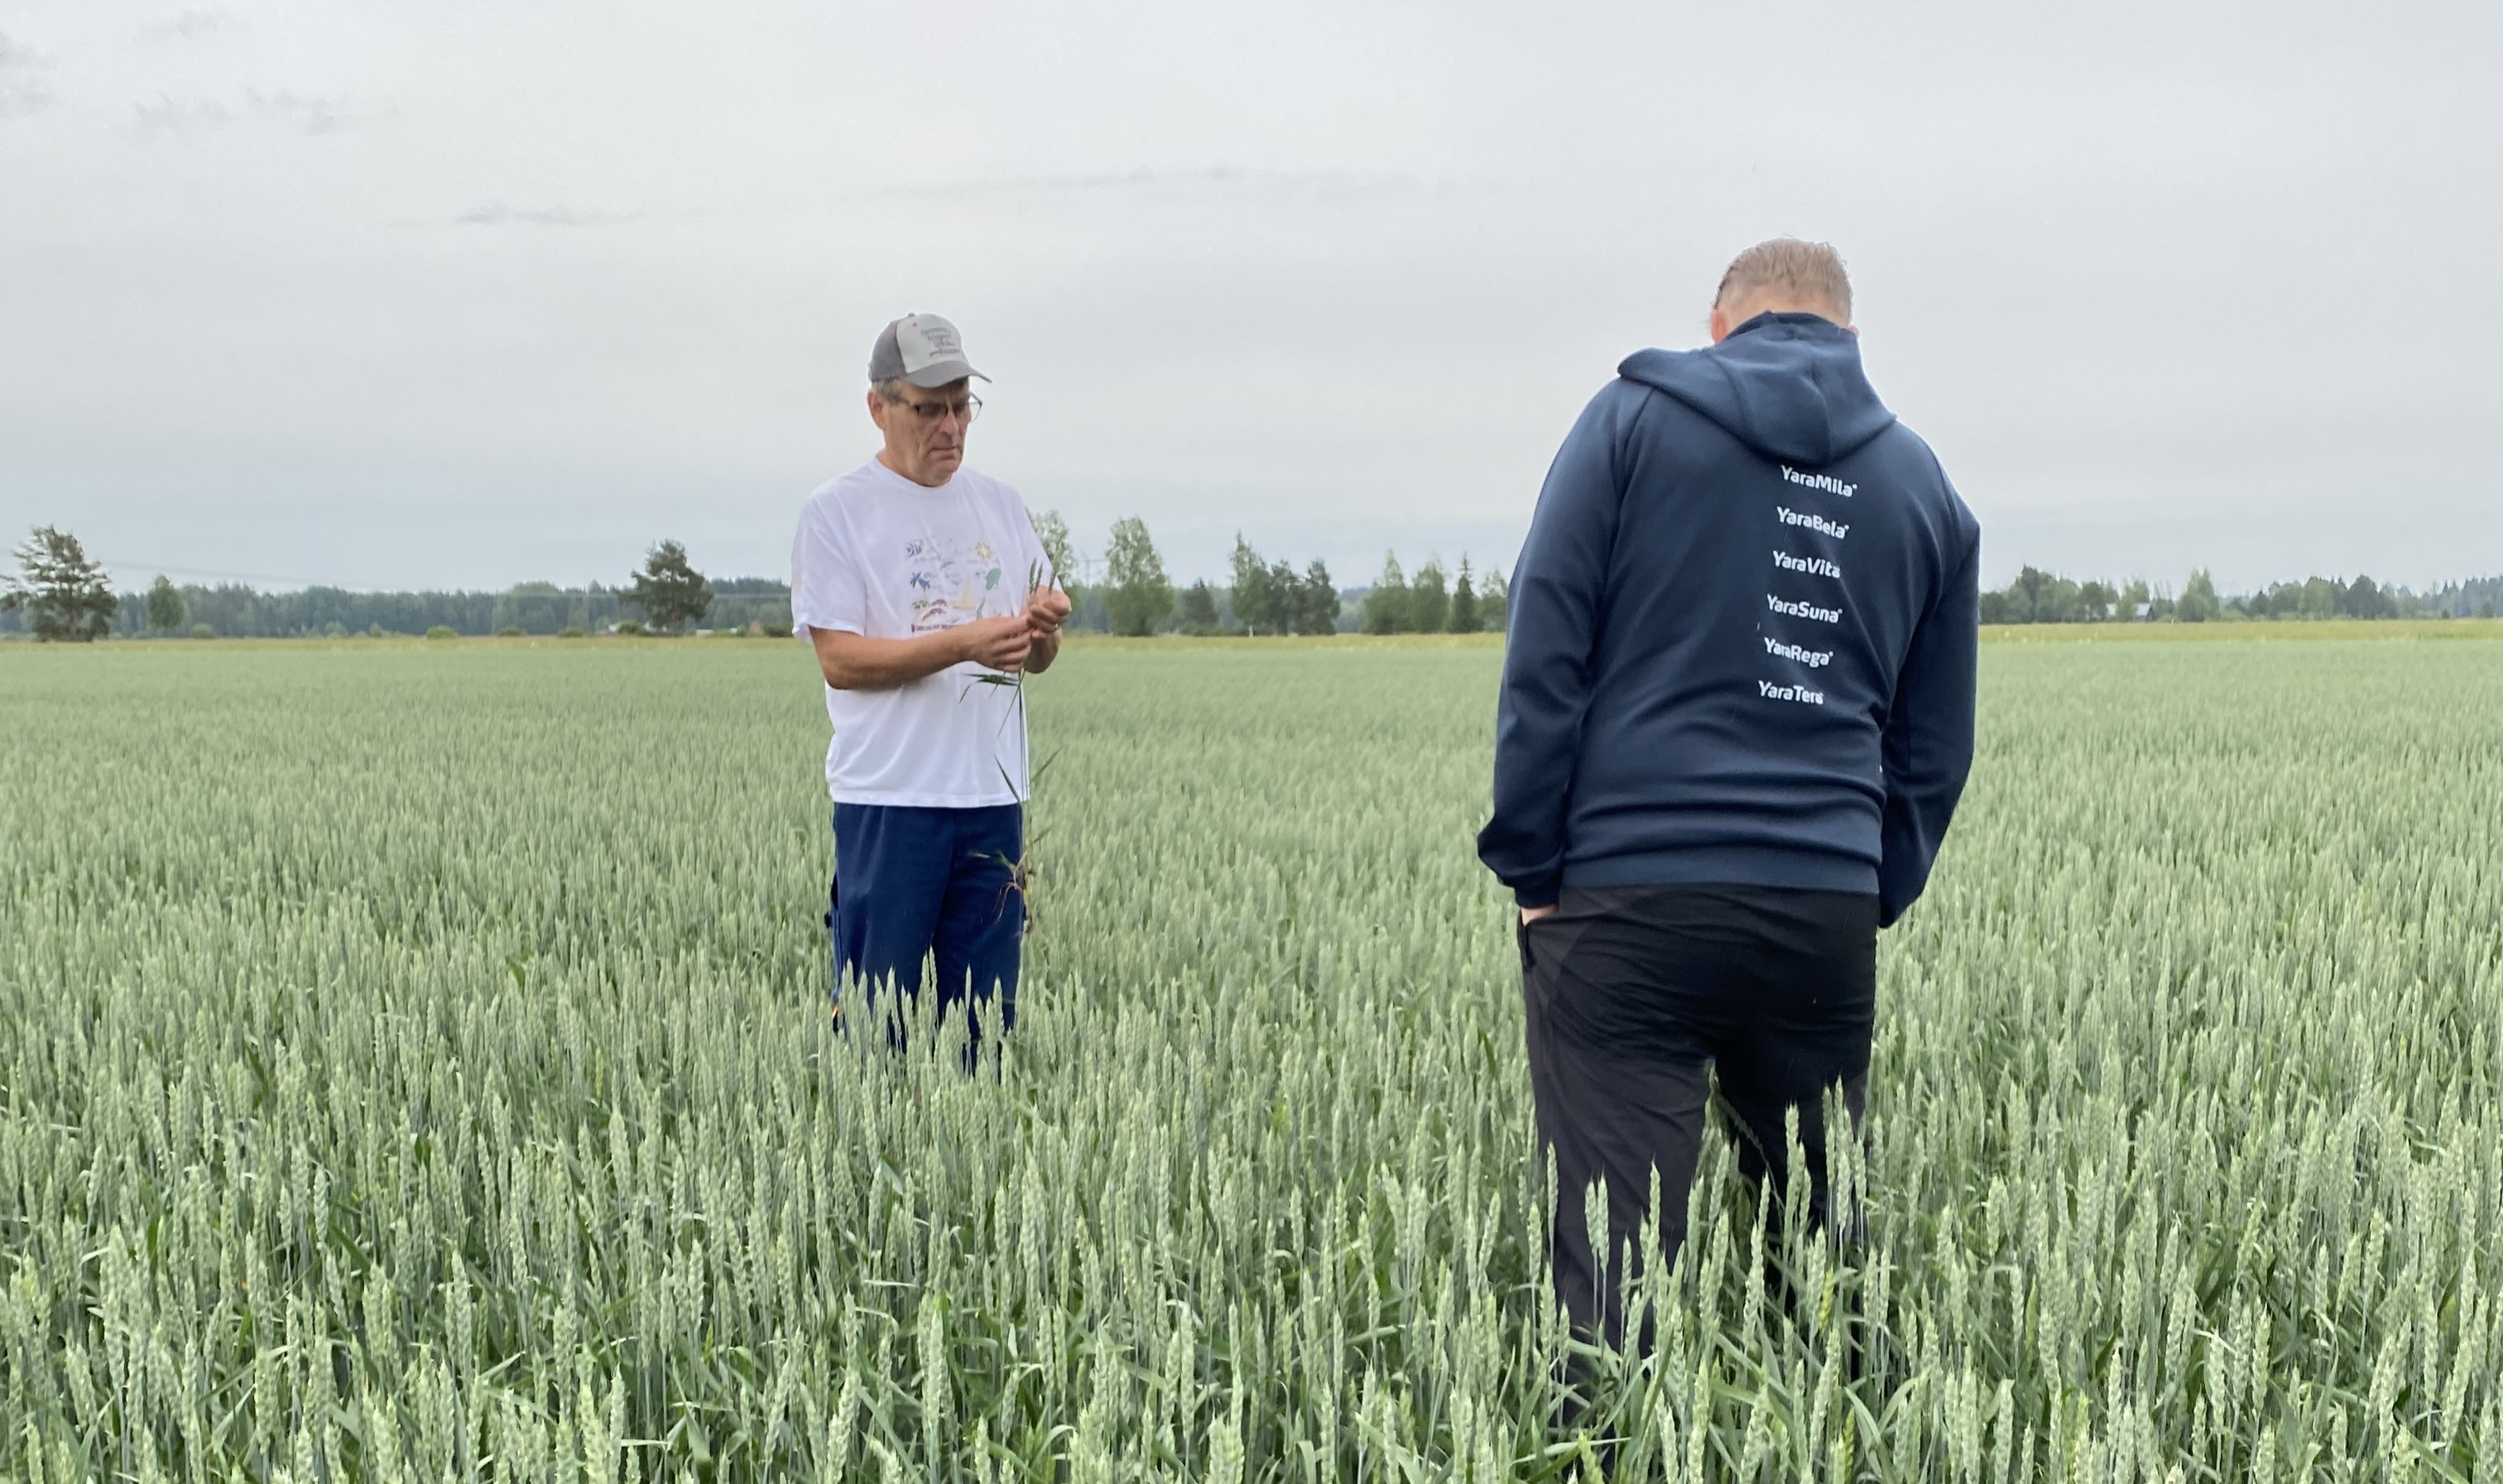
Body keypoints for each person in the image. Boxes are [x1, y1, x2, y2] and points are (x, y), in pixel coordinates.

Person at [1477, 239, 1979, 1350]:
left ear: (1720, 329)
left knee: (1613, 1285)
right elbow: (1937, 746)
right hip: (1820, 913)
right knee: (1820, 1269)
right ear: (1850, 338)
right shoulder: (1925, 487)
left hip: (1626, 900)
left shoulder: (1626, 425)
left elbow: (1545, 651)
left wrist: (1534, 865)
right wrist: (1864, 883)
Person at [790, 312, 1071, 1050]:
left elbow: (1037, 661)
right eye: (929, 408)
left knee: (986, 1037)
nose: (950, 426)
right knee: (872, 1033)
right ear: (878, 407)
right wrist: (963, 643)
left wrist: (1041, 634)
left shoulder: (1001, 505)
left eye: (961, 407)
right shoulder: (836, 513)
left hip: (993, 803)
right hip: (891, 803)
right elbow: (840, 660)